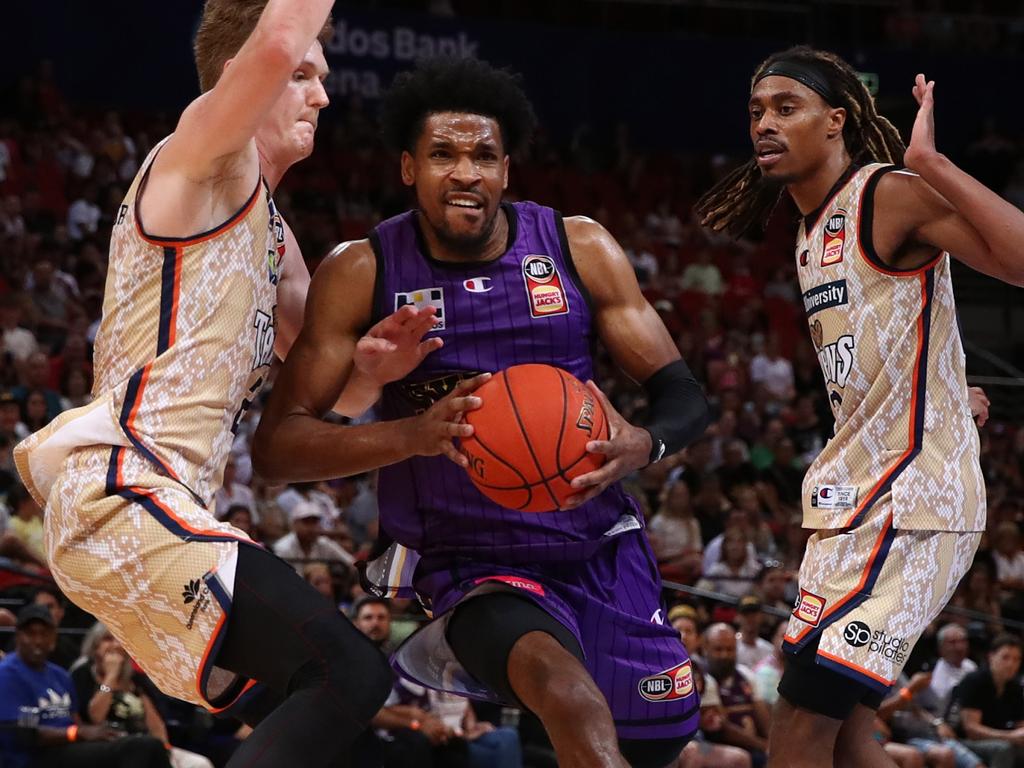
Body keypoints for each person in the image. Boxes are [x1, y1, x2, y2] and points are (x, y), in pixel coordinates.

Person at [9, 1, 449, 764]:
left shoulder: (277, 242)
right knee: (346, 670)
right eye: (306, 76)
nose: (323, 95)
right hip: (124, 491)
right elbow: (277, 37)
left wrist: (373, 371)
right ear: (255, 73)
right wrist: (289, 39)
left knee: (336, 720)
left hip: (159, 517)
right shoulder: (206, 155)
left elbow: (332, 397)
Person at [254, 57, 711, 768]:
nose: (465, 173)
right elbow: (277, 449)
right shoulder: (363, 269)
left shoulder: (576, 246)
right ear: (409, 167)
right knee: (569, 698)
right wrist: (412, 433)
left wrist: (642, 443)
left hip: (596, 544)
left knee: (659, 739)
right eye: (443, 154)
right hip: (470, 564)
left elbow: (683, 392)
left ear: (506, 169)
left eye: (484, 156)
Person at [696, 45, 1019, 767]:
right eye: (756, 112)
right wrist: (946, 387)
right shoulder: (810, 232)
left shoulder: (885, 193)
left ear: (836, 121)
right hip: (855, 500)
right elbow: (898, 340)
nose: (765, 125)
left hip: (913, 504)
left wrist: (933, 169)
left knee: (800, 724)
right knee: (843, 732)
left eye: (786, 108)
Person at [0, 604, 170, 768]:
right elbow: (21, 733)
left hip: (71, 746)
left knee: (153, 748)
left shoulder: (59, 674)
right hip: (36, 754)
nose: (37, 640)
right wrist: (78, 733)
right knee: (140, 747)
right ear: (18, 636)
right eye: (30, 633)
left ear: (53, 637)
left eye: (44, 633)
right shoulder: (7, 673)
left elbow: (76, 720)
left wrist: (95, 733)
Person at [71, 622, 214, 768]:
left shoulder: (136, 679)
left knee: (199, 764)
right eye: (107, 639)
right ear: (95, 647)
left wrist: (165, 749)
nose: (115, 645)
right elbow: (95, 717)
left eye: (118, 639)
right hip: (107, 746)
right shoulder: (82, 673)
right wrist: (111, 676)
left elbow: (156, 725)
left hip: (146, 744)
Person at [949, 634, 1024, 768]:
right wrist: (1010, 736)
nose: (1011, 664)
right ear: (991, 657)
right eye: (1005, 657)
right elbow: (971, 729)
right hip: (963, 741)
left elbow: (1020, 724)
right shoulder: (975, 681)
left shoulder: (1014, 687)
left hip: (999, 737)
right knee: (1003, 749)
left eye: (1016, 659)